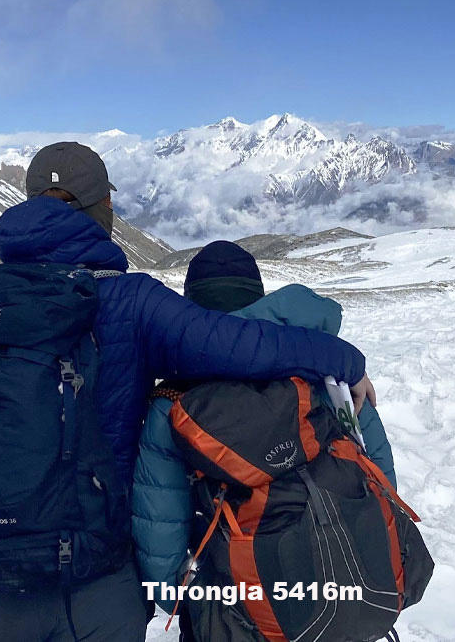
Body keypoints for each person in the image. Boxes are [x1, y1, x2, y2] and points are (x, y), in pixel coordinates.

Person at [0, 142, 376, 642]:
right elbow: (237, 345)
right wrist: (346, 362)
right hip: (98, 566)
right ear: (105, 209)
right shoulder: (129, 300)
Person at [130, 240, 397, 621]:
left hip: (238, 593)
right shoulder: (329, 378)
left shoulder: (173, 398)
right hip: (339, 576)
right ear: (258, 295)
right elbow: (378, 473)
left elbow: (161, 515)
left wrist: (180, 598)